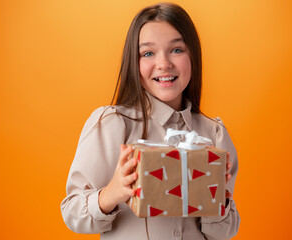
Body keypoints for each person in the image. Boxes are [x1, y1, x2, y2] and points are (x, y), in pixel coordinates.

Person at [61, 2, 240, 239]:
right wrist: (112, 193)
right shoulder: (113, 124)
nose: (164, 63)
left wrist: (217, 203)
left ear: (193, 55)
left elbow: (225, 232)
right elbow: (72, 212)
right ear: (133, 63)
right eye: (148, 53)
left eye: (177, 50)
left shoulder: (214, 134)